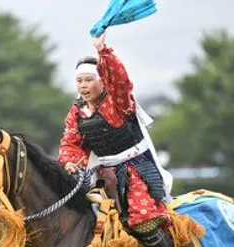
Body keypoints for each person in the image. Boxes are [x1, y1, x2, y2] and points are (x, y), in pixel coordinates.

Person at [57, 32, 173, 246]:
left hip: (134, 170)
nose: (82, 85)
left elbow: (120, 82)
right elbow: (70, 143)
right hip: (101, 174)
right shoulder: (76, 112)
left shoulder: (117, 102)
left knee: (142, 221)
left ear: (101, 82)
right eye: (79, 81)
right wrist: (70, 162)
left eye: (89, 80)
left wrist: (103, 51)